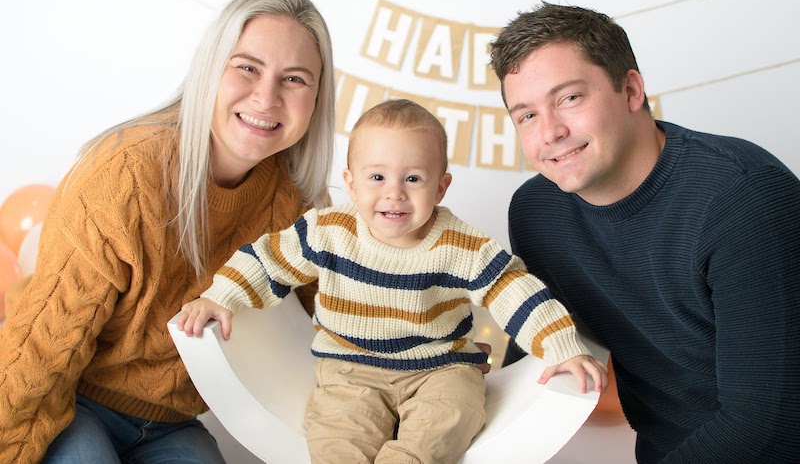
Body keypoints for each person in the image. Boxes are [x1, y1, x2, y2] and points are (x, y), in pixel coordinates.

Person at [0, 0, 336, 463]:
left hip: (172, 424)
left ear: (317, 98)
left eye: (295, 79)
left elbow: (327, 335)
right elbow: (42, 349)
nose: (267, 97)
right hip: (75, 398)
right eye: (247, 67)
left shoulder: (300, 208)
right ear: (210, 69)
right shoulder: (126, 176)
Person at [178, 98, 608, 463]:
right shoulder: (329, 232)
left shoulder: (461, 245)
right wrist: (221, 296)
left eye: (413, 179)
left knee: (451, 418)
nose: (394, 193)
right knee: (337, 437)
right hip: (349, 369)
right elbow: (268, 260)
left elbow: (512, 289)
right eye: (377, 177)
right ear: (351, 184)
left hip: (441, 369)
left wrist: (560, 345)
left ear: (440, 188)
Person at [491, 2, 800, 463]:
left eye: (569, 98)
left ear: (631, 90)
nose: (550, 132)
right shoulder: (536, 212)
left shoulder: (743, 196)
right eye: (527, 116)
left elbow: (772, 423)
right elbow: (541, 354)